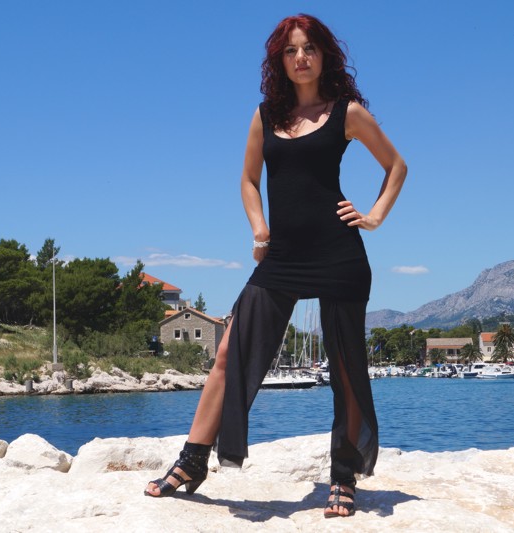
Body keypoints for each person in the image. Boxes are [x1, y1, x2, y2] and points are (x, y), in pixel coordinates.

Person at [144, 13, 407, 519]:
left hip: (339, 253)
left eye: (309, 48)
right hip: (282, 256)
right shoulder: (265, 116)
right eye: (290, 50)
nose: (300, 58)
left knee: (346, 366)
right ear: (279, 61)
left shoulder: (347, 113)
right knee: (229, 352)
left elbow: (396, 166)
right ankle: (192, 460)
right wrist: (259, 229)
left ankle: (343, 475)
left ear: (325, 55)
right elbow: (248, 180)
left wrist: (373, 216)